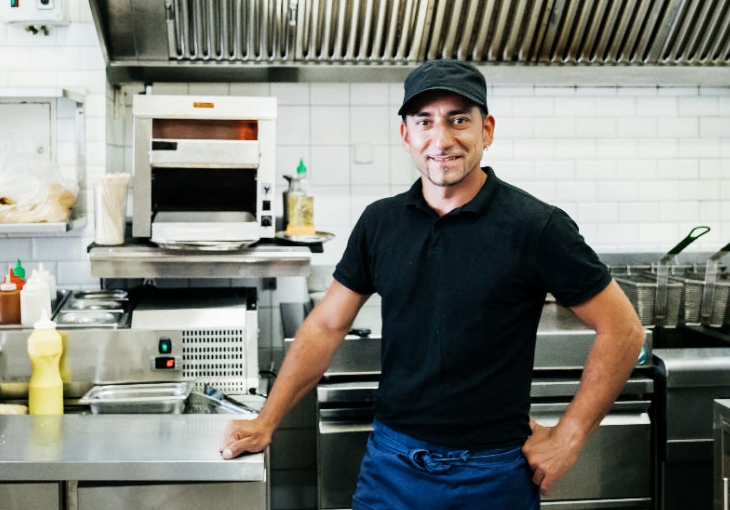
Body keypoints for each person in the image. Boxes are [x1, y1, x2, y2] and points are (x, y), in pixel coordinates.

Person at [220, 59, 646, 509]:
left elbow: (623, 330)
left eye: (459, 119)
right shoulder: (380, 223)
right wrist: (267, 420)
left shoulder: (537, 226)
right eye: (425, 121)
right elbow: (326, 326)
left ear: (488, 130)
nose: (441, 139)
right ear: (406, 135)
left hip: (493, 474)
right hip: (391, 468)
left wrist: (569, 436)